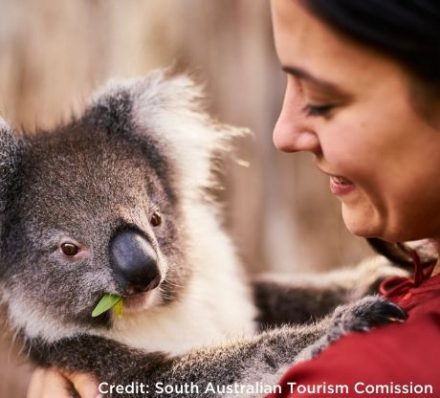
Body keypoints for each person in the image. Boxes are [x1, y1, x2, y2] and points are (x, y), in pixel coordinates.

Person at [28, 0, 440, 397]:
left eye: (321, 100)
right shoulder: (73, 345)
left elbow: (246, 307)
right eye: (70, 248)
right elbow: (165, 384)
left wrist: (332, 323)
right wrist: (327, 325)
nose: (284, 133)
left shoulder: (370, 374)